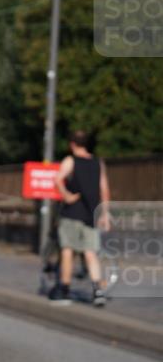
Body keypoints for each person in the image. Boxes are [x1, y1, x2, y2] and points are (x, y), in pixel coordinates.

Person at [50, 130, 111, 307]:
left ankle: (64, 289)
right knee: (90, 252)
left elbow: (58, 179)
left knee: (68, 250)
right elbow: (104, 190)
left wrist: (67, 195)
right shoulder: (98, 162)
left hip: (72, 212)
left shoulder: (71, 160)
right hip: (91, 213)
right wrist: (105, 214)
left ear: (72, 144)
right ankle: (97, 291)